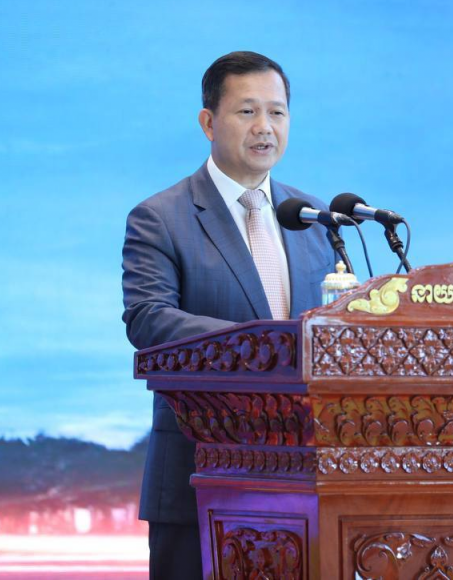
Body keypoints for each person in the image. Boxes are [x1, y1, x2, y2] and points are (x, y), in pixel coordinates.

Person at [121, 51, 335, 579]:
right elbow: (148, 319)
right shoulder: (161, 217)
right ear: (208, 122)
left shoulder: (312, 218)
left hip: (307, 478)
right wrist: (266, 344)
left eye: (277, 112)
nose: (265, 127)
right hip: (201, 472)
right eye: (247, 111)